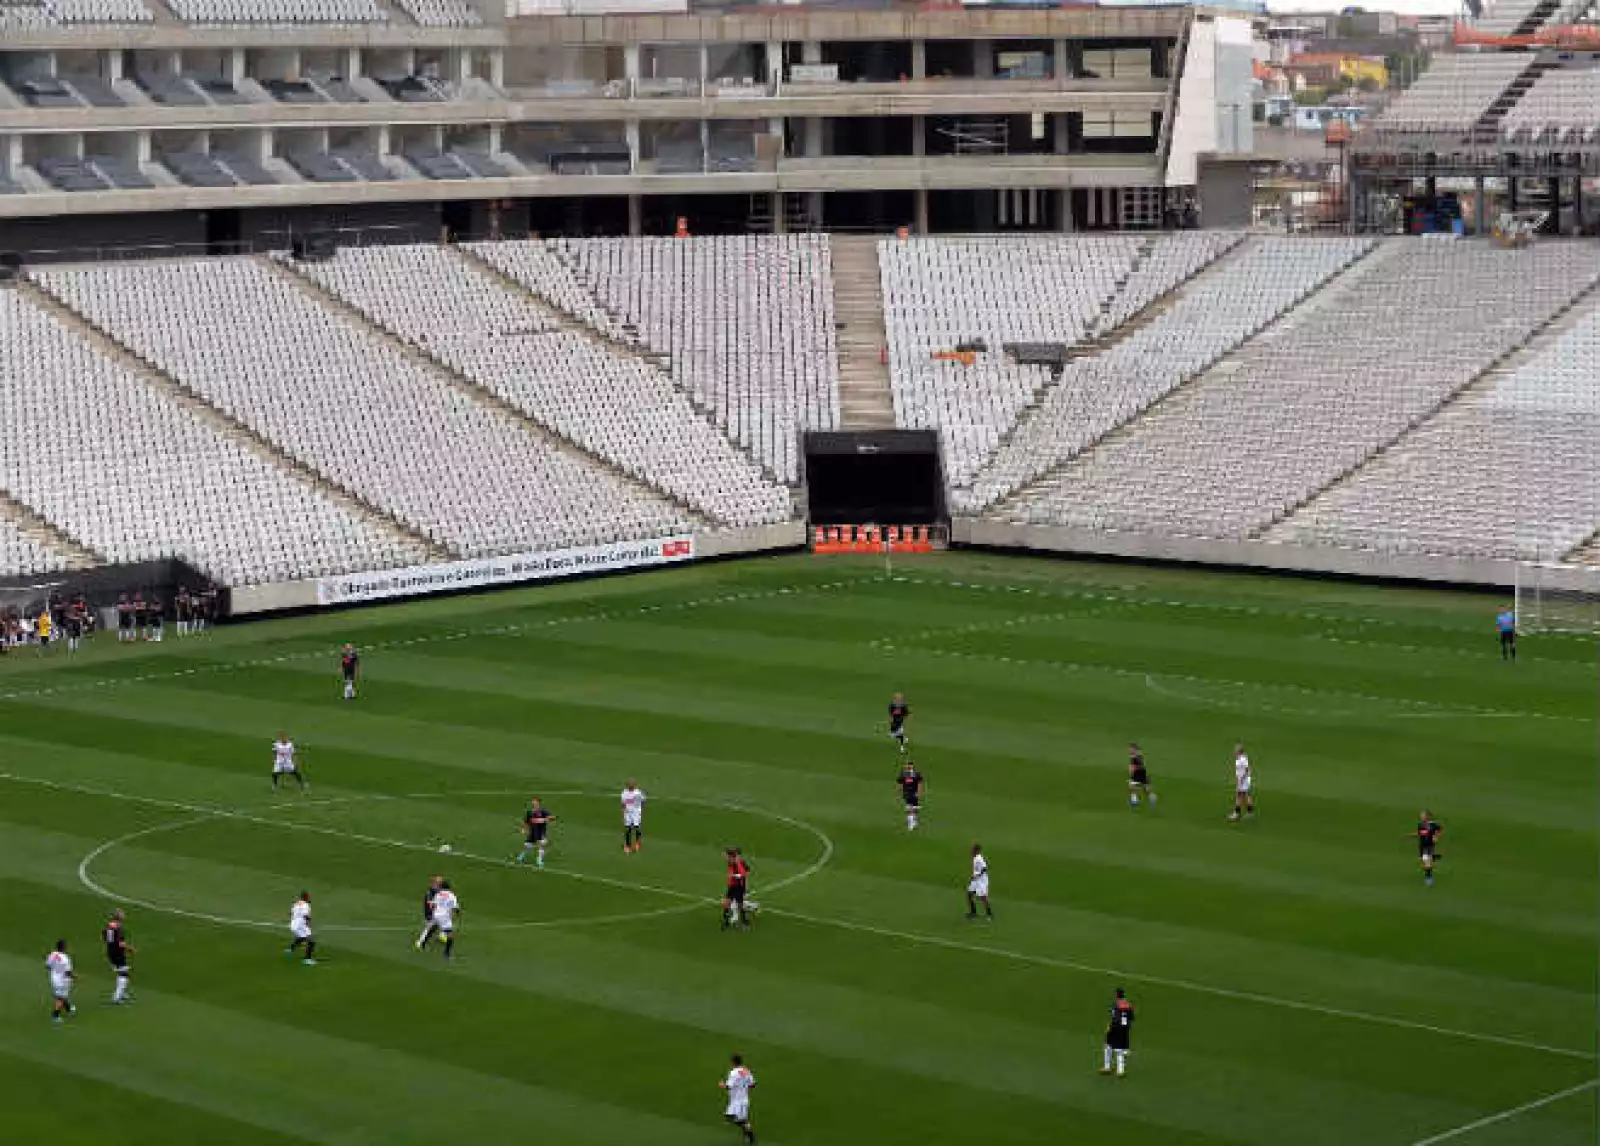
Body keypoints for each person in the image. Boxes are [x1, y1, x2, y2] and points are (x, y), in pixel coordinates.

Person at [719, 1054, 757, 1144]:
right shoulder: (746, 1071)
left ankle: (750, 1135)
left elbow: (729, 1086)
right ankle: (748, 1135)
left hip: (737, 1101)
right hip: (744, 1099)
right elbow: (753, 1084)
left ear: (733, 1062)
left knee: (734, 1118)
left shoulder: (733, 1073)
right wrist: (743, 1086)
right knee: (739, 1119)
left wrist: (722, 1085)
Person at [1100, 988, 1135, 1077]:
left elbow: (1114, 1018)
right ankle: (1120, 1071)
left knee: (1108, 1046)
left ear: (1116, 995)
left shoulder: (1116, 1005)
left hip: (1115, 1028)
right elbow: (1131, 1018)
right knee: (1120, 1049)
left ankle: (1107, 1067)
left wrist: (1109, 1027)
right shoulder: (1129, 1005)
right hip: (1125, 1029)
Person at [104, 908, 134, 1004]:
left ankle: (122, 993)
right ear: (119, 917)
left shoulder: (109, 926)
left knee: (121, 972)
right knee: (124, 974)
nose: (124, 915)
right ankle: (116, 997)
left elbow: (105, 938)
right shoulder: (118, 928)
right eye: (122, 914)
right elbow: (120, 943)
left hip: (110, 951)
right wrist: (129, 948)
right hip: (117, 953)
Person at [425, 880, 459, 961]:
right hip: (444, 917)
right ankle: (447, 954)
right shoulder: (452, 895)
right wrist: (457, 913)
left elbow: (433, 905)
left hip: (436, 914)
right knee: (450, 935)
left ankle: (423, 943)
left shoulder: (438, 894)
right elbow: (455, 907)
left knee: (434, 927)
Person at [517, 797, 555, 867]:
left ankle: (539, 860)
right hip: (533, 831)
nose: (534, 804)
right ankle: (522, 855)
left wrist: (544, 819)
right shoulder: (529, 812)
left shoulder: (543, 811)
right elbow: (526, 822)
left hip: (541, 831)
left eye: (535, 802)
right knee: (528, 846)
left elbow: (552, 817)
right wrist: (524, 829)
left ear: (538, 803)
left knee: (542, 844)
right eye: (533, 802)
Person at [721, 847, 751, 931]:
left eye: (727, 855)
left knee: (740, 905)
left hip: (738, 887)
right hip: (732, 886)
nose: (725, 857)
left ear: (731, 856)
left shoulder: (737, 864)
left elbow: (744, 873)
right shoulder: (732, 862)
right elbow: (747, 871)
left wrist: (734, 876)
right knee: (726, 903)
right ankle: (726, 920)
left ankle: (745, 922)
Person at [46, 940, 75, 1024]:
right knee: (60, 998)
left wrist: (56, 970)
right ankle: (55, 1015)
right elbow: (68, 973)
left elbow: (48, 966)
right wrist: (74, 977)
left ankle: (69, 1009)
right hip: (63, 981)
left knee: (62, 995)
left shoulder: (52, 954)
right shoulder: (66, 959)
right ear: (64, 947)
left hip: (53, 979)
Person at [286, 891, 317, 964]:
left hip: (294, 924)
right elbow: (305, 915)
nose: (309, 898)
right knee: (311, 941)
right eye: (308, 896)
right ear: (305, 897)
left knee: (302, 937)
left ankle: (291, 949)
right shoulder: (306, 905)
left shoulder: (296, 903)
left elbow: (291, 913)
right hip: (300, 925)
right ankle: (307, 959)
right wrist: (309, 922)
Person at [1227, 744, 1254, 822]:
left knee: (1239, 796)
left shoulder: (1242, 759)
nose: (1234, 751)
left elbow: (1248, 770)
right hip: (1243, 780)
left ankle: (1236, 813)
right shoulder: (1239, 758)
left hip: (1243, 780)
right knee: (1246, 795)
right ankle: (1250, 812)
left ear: (1239, 751)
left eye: (1236, 750)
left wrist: (1241, 780)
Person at [1416, 810, 1443, 886]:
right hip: (1422, 846)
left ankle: (1428, 878)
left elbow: (1439, 830)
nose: (1421, 817)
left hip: (1429, 846)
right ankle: (1434, 858)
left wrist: (1436, 836)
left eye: (1423, 816)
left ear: (1428, 817)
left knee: (1427, 863)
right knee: (1424, 861)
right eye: (1421, 816)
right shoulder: (1420, 825)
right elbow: (1420, 834)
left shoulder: (1433, 825)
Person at [966, 843, 992, 920]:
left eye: (972, 849)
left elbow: (984, 868)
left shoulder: (979, 858)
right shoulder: (975, 858)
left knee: (983, 897)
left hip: (982, 881)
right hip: (976, 880)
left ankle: (989, 914)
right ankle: (973, 912)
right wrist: (974, 876)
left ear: (976, 851)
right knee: (969, 894)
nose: (971, 850)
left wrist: (977, 875)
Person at [897, 760, 925, 831]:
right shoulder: (903, 774)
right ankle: (911, 824)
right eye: (907, 765)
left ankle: (913, 821)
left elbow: (919, 783)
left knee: (915, 808)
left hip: (914, 792)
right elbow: (900, 784)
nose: (908, 766)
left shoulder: (916, 774)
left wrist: (919, 792)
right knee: (910, 807)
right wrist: (901, 792)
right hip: (907, 793)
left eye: (910, 765)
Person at [621, 780, 646, 854]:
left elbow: (643, 801)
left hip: (636, 813)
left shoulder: (638, 793)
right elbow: (623, 805)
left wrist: (640, 810)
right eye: (629, 784)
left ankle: (638, 843)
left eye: (632, 784)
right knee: (628, 828)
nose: (631, 786)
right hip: (628, 813)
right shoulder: (624, 793)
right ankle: (628, 845)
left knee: (636, 827)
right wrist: (623, 814)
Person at [417, 876, 443, 948]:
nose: (439, 885)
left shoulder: (438, 891)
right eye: (438, 883)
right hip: (430, 912)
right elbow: (430, 904)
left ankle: (442, 936)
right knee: (430, 927)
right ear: (434, 883)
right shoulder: (429, 893)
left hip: (435, 912)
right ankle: (420, 942)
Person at [1128, 743, 1155, 808]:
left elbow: (1140, 766)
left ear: (1134, 749)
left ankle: (1135, 801)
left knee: (1134, 787)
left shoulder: (1136, 756)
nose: (1129, 750)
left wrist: (1133, 768)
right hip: (1140, 774)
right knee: (1142, 788)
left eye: (1131, 749)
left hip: (1139, 774)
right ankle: (1150, 797)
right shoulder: (1136, 756)